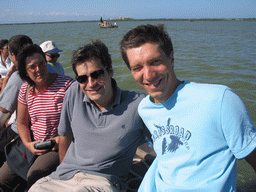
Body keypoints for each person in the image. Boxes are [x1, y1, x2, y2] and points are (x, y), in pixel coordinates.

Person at [120, 24, 256, 191]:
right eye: (137, 68)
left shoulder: (220, 100)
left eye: (155, 62)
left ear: (171, 58)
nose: (148, 75)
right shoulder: (144, 109)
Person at [29, 39, 150, 192]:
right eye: (82, 78)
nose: (91, 83)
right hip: (63, 177)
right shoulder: (74, 92)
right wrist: (62, 169)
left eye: (97, 74)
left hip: (101, 181)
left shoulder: (138, 105)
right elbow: (65, 136)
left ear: (110, 71)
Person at [0, 44, 74, 191]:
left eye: (41, 63)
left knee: (34, 176)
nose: (38, 69)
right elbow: (21, 122)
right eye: (32, 67)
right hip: (33, 143)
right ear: (25, 72)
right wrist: (28, 144)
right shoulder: (26, 90)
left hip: (57, 145)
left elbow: (82, 119)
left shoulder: (68, 86)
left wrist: (64, 139)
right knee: (2, 179)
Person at [0, 35, 33, 167]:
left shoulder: (19, 75)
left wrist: (8, 76)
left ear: (13, 55)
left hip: (22, 131)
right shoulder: (49, 68)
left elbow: (4, 108)